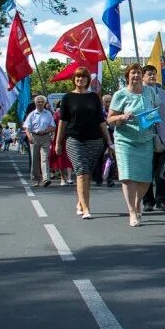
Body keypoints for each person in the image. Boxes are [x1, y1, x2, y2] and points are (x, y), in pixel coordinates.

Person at [107, 63, 160, 227]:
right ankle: (131, 211)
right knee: (128, 177)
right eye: (133, 73)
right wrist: (122, 117)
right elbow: (109, 119)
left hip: (145, 139)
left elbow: (156, 108)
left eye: (138, 73)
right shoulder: (120, 95)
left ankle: (138, 203)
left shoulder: (150, 91)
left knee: (145, 179)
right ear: (127, 76)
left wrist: (152, 117)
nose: (136, 76)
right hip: (125, 140)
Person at [56, 67, 112, 220]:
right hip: (74, 139)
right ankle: (86, 208)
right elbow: (63, 122)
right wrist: (58, 142)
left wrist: (108, 140)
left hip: (95, 140)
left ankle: (80, 202)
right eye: (77, 77)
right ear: (74, 79)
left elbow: (101, 120)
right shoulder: (67, 98)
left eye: (83, 77)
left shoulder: (94, 97)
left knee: (87, 174)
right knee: (81, 172)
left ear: (88, 80)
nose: (80, 80)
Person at [141, 65, 165, 213]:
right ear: (142, 76)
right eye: (149, 74)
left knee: (162, 171)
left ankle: (162, 200)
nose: (152, 77)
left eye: (154, 74)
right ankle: (148, 201)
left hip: (163, 138)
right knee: (147, 171)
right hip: (145, 137)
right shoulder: (138, 93)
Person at [24, 96, 56, 187]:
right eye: (38, 102)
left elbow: (53, 127)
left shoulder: (48, 114)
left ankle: (46, 179)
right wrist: (29, 137)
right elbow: (27, 127)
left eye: (42, 102)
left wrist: (46, 131)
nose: (40, 103)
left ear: (45, 103)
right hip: (34, 137)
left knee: (44, 158)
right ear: (35, 103)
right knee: (35, 160)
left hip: (45, 137)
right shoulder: (32, 114)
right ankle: (36, 179)